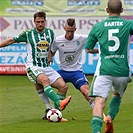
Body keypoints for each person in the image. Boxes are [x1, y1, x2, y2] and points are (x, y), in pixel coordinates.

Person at [0, 11, 72, 118]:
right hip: (32, 66)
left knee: (63, 87)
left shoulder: (50, 33)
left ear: (45, 21)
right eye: (38, 22)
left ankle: (53, 114)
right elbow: (11, 40)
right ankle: (58, 102)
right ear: (34, 22)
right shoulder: (28, 34)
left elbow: (50, 46)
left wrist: (50, 55)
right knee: (45, 81)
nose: (40, 24)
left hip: (46, 67)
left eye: (42, 21)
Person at [85, 0, 133, 132]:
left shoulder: (98, 26)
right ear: (122, 11)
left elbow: (88, 49)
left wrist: (98, 50)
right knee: (117, 95)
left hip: (104, 70)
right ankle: (110, 117)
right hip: (123, 72)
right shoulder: (129, 24)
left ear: (107, 10)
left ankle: (96, 131)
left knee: (99, 103)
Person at [48, 18, 99, 111]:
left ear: (75, 29)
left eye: (72, 31)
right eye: (68, 31)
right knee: (45, 83)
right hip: (62, 71)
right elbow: (51, 52)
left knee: (86, 92)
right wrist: (49, 57)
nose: (70, 34)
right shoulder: (57, 41)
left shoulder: (81, 38)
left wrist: (99, 50)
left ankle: (98, 112)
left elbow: (95, 39)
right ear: (64, 28)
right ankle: (55, 112)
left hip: (76, 72)